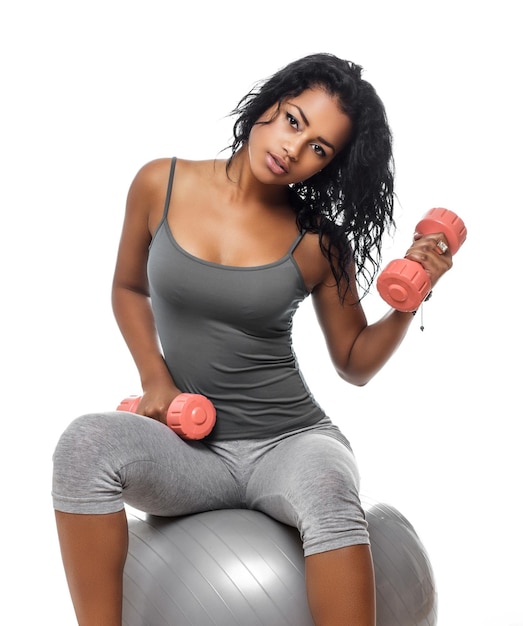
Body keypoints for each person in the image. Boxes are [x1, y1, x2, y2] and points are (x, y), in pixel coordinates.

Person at [52, 52, 453, 626]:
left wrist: (409, 300)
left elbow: (354, 362)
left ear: (327, 167)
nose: (294, 149)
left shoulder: (317, 243)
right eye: (294, 121)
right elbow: (127, 288)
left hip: (287, 441)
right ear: (268, 105)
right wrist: (155, 379)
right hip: (192, 449)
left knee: (328, 490)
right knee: (84, 446)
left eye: (319, 148)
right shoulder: (159, 184)